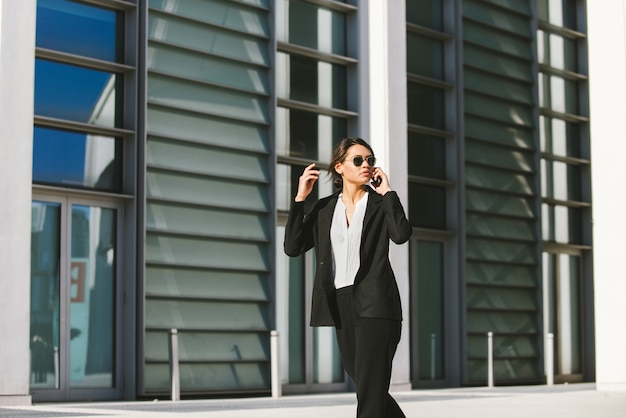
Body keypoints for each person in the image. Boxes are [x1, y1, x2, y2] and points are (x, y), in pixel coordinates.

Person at [284, 136, 411, 418]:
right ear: (339, 167)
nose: (365, 165)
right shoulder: (324, 209)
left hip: (376, 303)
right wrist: (300, 198)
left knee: (369, 390)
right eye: (358, 160)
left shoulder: (380, 203)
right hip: (341, 303)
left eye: (370, 160)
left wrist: (388, 192)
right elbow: (292, 247)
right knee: (369, 386)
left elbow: (401, 235)